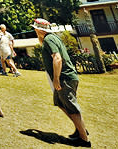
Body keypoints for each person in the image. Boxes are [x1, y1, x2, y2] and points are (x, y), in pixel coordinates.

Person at [33, 18, 90, 146]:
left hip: (64, 78)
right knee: (61, 103)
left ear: (39, 29)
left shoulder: (49, 39)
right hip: (66, 77)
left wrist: (56, 79)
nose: (34, 30)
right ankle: (80, 128)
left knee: (71, 108)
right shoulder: (52, 38)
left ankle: (84, 139)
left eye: (35, 28)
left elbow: (57, 58)